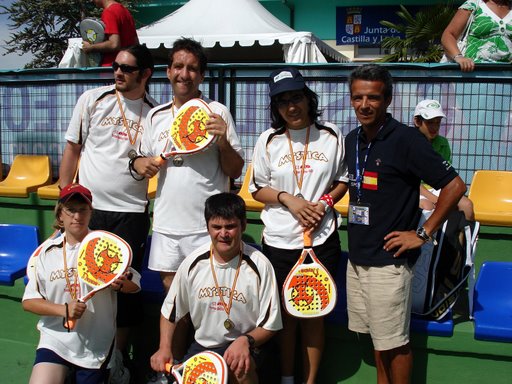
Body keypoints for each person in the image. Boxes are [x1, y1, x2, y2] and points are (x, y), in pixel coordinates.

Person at [344, 64, 467, 384]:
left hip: (390, 261)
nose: (364, 105)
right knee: (378, 342)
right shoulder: (352, 139)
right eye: (357, 97)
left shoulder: (407, 139)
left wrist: (423, 234)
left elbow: (455, 186)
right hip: (359, 258)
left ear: (387, 100)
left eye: (373, 97)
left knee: (396, 344)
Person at [59, 44, 157, 379]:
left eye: (127, 69)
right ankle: (74, 352)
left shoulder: (154, 114)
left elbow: (156, 161)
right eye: (116, 66)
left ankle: (115, 360)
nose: (118, 72)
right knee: (78, 282)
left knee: (123, 288)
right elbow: (73, 148)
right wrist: (63, 199)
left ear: (145, 74)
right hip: (90, 211)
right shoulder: (92, 99)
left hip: (130, 213)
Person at [249, 68, 348, 384]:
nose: (291, 107)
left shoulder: (331, 135)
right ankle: (288, 378)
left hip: (322, 239)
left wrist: (323, 205)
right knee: (286, 317)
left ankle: (310, 381)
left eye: (296, 97)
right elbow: (256, 188)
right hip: (279, 242)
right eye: (282, 101)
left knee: (314, 316)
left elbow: (342, 181)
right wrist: (289, 200)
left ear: (308, 98)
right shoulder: (269, 140)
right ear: (275, 107)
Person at [132, 38, 244, 293]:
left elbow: (235, 170)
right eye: (179, 67)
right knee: (172, 296)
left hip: (206, 226)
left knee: (206, 295)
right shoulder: (155, 115)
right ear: (168, 72)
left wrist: (223, 141)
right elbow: (141, 159)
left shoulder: (218, 112)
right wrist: (141, 164)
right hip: (165, 225)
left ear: (202, 75)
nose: (185, 74)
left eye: (192, 68)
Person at [150, 193, 282, 384]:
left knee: (239, 369)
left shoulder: (260, 265)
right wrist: (164, 348)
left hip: (249, 344)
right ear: (208, 228)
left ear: (243, 225)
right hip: (204, 347)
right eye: (217, 227)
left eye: (230, 226)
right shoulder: (193, 263)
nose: (223, 233)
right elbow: (170, 313)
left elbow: (271, 325)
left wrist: (246, 341)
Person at [22, 183, 141, 384]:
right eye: (71, 210)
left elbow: (135, 285)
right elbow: (29, 301)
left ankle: (115, 370)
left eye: (82, 210)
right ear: (60, 215)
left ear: (90, 213)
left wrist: (120, 284)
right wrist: (63, 309)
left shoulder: (105, 246)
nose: (77, 216)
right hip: (55, 338)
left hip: (96, 346)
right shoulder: (46, 253)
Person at [413, 99, 475, 221]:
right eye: (430, 122)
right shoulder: (409, 143)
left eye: (438, 122)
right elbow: (411, 182)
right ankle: (424, 239)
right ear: (417, 121)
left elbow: (446, 178)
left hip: (437, 190)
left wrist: (444, 197)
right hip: (414, 191)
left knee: (467, 205)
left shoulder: (443, 143)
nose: (435, 127)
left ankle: (465, 239)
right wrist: (435, 199)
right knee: (428, 206)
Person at [441, 0, 512, 72]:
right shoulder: (474, 4)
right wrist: (459, 57)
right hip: (472, 74)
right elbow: (449, 35)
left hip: (506, 76)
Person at [83, 0, 139, 67]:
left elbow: (114, 44)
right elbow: (136, 43)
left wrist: (90, 47)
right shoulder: (125, 11)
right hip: (127, 68)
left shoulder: (109, 12)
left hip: (111, 68)